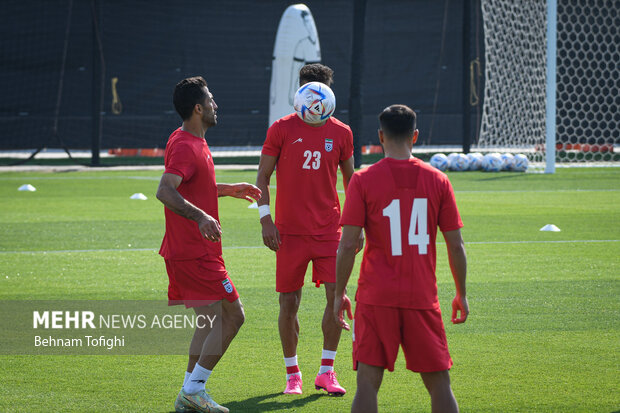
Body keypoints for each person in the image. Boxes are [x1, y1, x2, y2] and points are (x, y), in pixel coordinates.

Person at [334, 104, 469, 413]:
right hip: (421, 297)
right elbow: (456, 245)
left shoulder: (363, 180)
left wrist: (339, 294)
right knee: (439, 384)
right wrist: (461, 293)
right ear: (416, 136)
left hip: (376, 297)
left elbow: (347, 245)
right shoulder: (438, 180)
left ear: (381, 136)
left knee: (368, 382)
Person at [256, 63, 362, 396]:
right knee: (289, 304)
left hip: (330, 232)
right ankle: (293, 375)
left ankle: (326, 372)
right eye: (308, 88)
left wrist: (354, 228)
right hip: (288, 233)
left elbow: (352, 183)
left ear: (328, 93)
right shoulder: (280, 129)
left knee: (336, 299)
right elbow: (262, 178)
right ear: (299, 91)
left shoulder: (342, 132)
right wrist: (265, 219)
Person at [156, 76, 261, 413]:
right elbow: (166, 190)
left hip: (192, 251)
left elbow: (191, 186)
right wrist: (201, 217)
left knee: (209, 321)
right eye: (212, 101)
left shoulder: (190, 139)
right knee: (234, 315)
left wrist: (227, 189)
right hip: (194, 253)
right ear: (199, 108)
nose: (217, 106)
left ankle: (189, 394)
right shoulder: (186, 144)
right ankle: (194, 388)